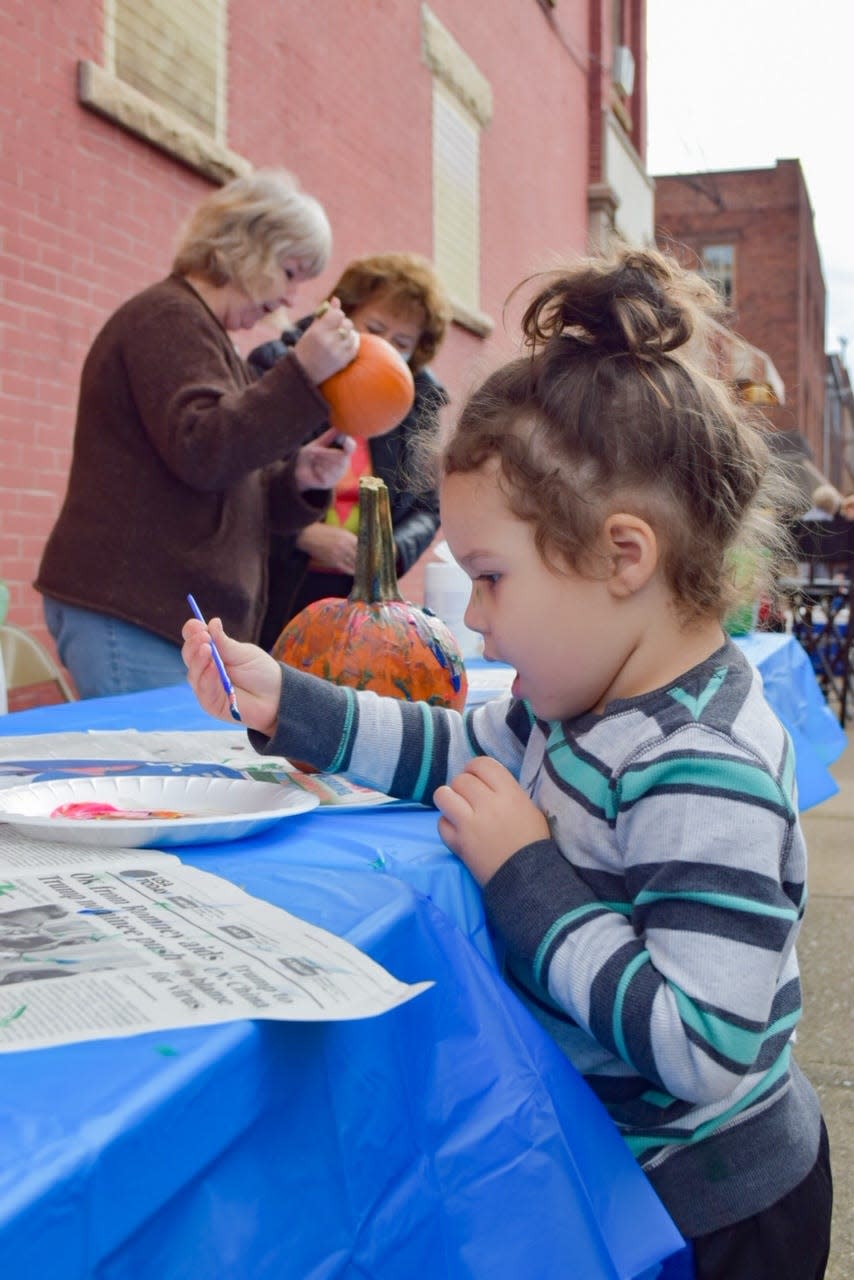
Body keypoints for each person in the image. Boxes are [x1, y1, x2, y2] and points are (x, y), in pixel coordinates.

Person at [182, 246, 832, 1279]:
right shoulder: (577, 704)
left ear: (624, 557)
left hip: (715, 1212)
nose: (475, 625)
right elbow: (452, 741)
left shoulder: (699, 767)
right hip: (625, 1177)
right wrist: (289, 704)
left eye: (489, 578)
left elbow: (702, 1048)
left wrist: (525, 872)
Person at [35, 168, 360, 698]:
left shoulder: (203, 335)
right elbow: (204, 450)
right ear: (248, 245)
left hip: (159, 618)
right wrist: (302, 373)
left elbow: (229, 482)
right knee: (149, 776)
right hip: (136, 614)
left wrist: (299, 478)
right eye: (290, 271)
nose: (289, 299)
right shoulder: (168, 319)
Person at [248, 252, 451, 651]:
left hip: (359, 604)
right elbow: (244, 477)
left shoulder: (420, 400)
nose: (385, 347)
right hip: (274, 587)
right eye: (374, 328)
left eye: (403, 342)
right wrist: (302, 535)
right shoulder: (281, 364)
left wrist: (388, 551)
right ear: (343, 317)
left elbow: (428, 506)